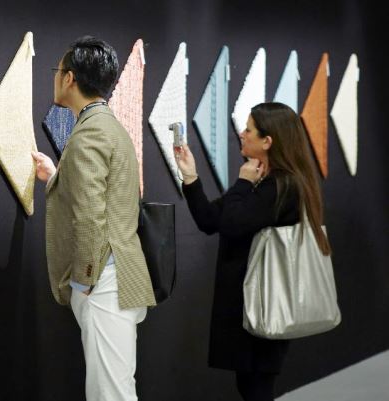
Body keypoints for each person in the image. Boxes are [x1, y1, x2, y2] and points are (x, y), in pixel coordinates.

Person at [174, 102, 331, 401]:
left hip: (266, 301)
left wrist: (243, 183)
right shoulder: (262, 181)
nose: (242, 134)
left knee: (256, 386)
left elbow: (232, 224)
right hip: (250, 303)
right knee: (250, 384)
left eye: (249, 130)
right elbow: (209, 220)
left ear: (267, 141)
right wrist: (191, 177)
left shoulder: (281, 185)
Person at [32, 36, 156, 401]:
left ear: (69, 78)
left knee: (110, 393)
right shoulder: (108, 126)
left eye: (58, 71)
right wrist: (56, 176)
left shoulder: (89, 133)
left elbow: (90, 215)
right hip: (116, 275)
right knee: (114, 387)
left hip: (104, 278)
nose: (55, 78)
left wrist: (84, 279)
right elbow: (104, 195)